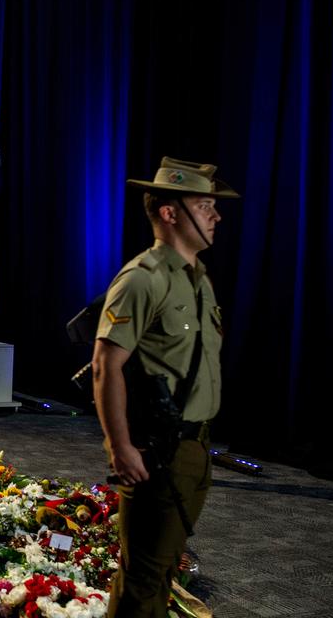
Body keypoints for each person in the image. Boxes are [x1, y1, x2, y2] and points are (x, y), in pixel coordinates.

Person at [91, 157, 239, 618]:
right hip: (158, 450)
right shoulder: (142, 279)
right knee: (143, 576)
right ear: (171, 213)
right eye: (204, 205)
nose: (215, 216)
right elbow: (104, 366)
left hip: (195, 446)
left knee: (163, 571)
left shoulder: (197, 280)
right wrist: (119, 445)